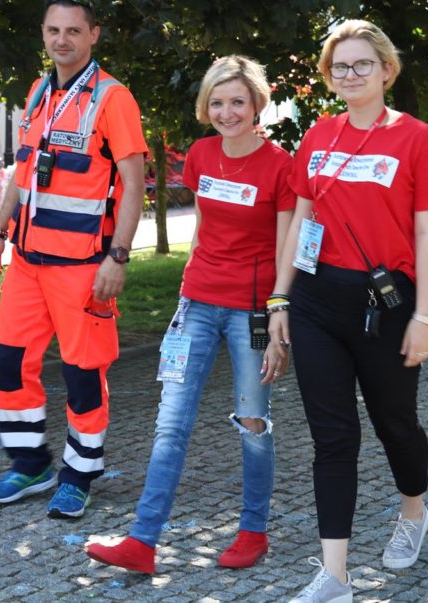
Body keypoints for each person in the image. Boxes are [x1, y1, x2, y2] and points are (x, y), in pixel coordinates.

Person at [267, 20, 428, 603]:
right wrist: (280, 298)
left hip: (385, 305)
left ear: (386, 70)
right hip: (316, 301)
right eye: (339, 66)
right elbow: (301, 221)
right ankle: (335, 576)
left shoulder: (418, 139)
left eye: (361, 65)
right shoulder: (318, 136)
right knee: (332, 436)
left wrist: (426, 316)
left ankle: (414, 511)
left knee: (395, 423)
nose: (350, 75)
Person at [86, 55, 294, 574]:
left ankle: (253, 531)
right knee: (170, 424)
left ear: (257, 105)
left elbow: (287, 247)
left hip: (252, 312)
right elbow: (204, 230)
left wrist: (278, 320)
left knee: (253, 422)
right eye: (217, 102)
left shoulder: (280, 166)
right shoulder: (200, 155)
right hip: (197, 303)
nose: (227, 112)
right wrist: (185, 297)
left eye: (238, 102)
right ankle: (142, 542)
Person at [0, 0, 148, 520]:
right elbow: (24, 170)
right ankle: (30, 464)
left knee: (83, 374)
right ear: (43, 34)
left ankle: (79, 475)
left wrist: (118, 257)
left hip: (82, 265)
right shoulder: (37, 92)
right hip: (28, 262)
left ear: (93, 35)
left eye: (74, 30)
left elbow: (135, 183)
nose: (62, 40)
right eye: (54, 30)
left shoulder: (113, 98)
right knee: (7, 365)